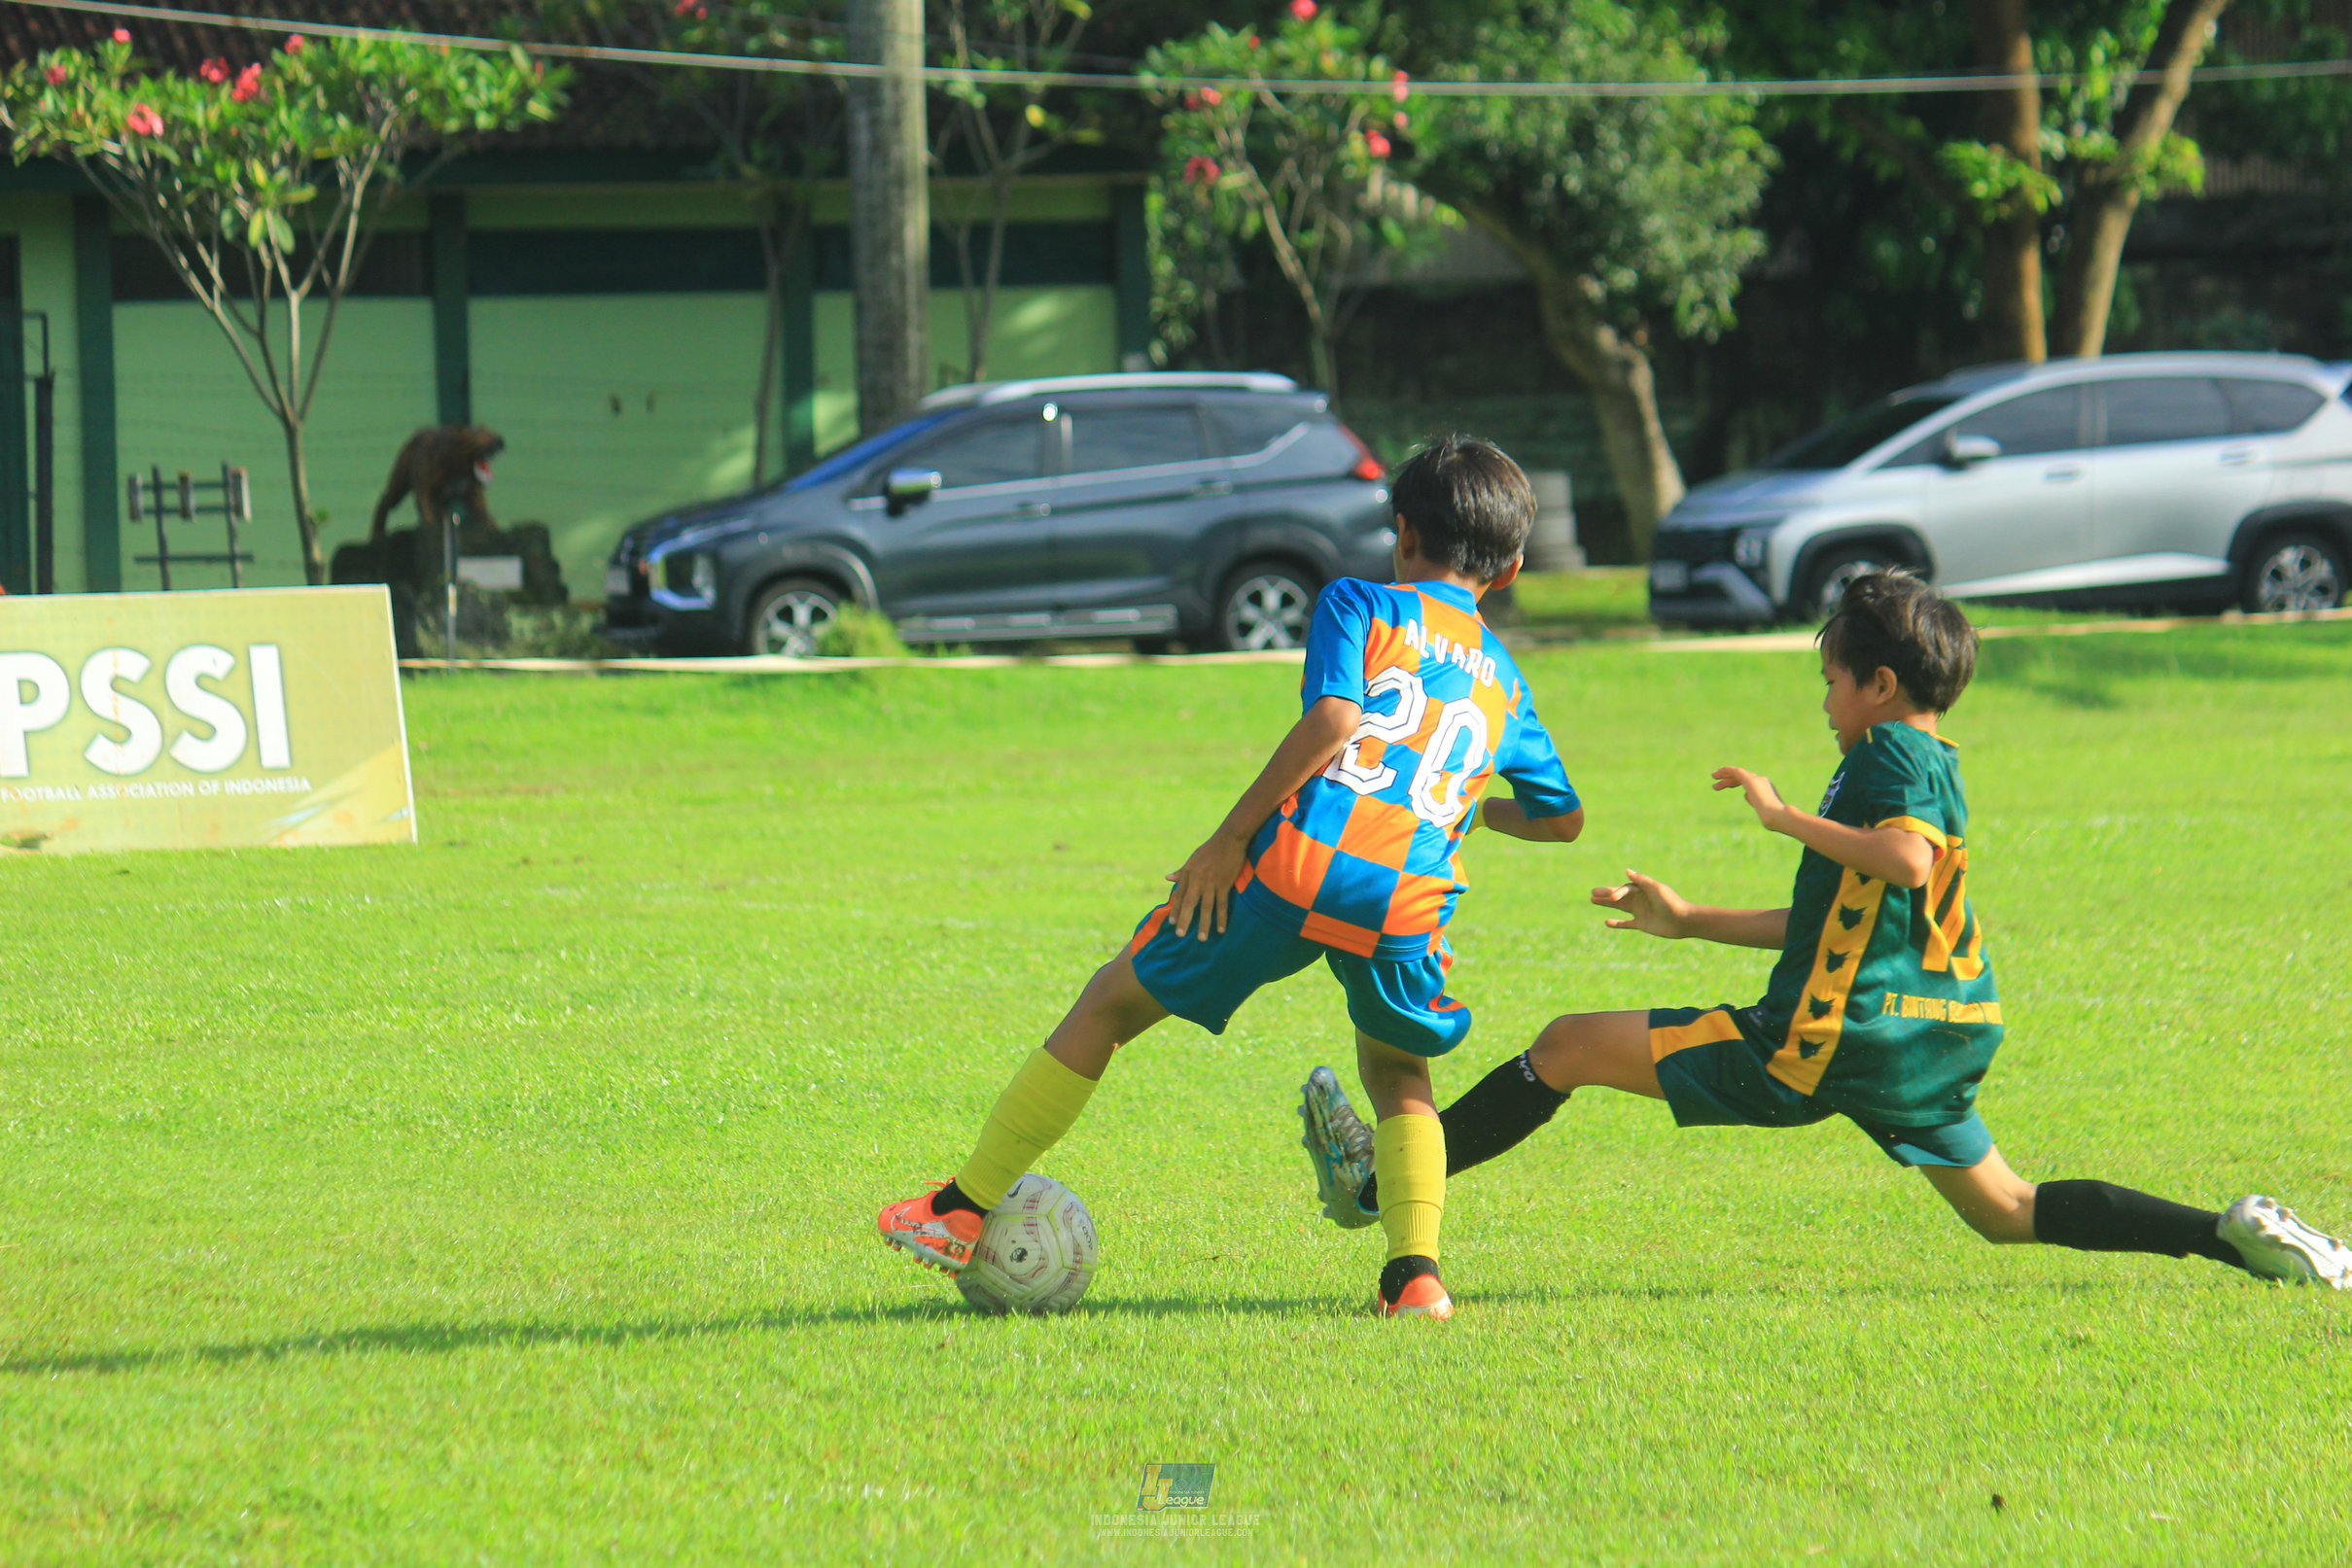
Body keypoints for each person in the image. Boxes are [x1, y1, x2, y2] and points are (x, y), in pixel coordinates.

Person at [1299, 571, 2351, 1289]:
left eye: (1832, 682)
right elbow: (1833, 920)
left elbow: (1907, 862)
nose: (1826, 702)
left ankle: (1374, 1186)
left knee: (1564, 1045)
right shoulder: (1924, 761)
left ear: (1880, 685)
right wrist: (1689, 921)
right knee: (2004, 1208)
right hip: (1923, 1034)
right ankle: (2230, 1236)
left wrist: (1780, 815)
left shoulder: (1890, 758)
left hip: (1823, 1039)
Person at [877, 435, 1586, 1319]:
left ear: (1403, 532)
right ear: (1510, 569)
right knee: (1399, 1071)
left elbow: (1334, 720)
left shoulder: (1363, 603)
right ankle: (1416, 1279)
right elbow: (1561, 819)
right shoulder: (1508, 683)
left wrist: (1226, 839)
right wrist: (1471, 810)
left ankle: (959, 1207)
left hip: (1297, 868)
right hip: (1407, 898)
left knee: (1110, 1004)